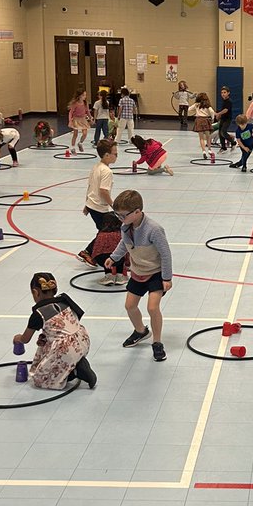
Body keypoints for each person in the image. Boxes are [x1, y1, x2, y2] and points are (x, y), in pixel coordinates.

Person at [106, 189, 173, 362]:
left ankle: (157, 343)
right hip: (137, 272)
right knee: (130, 306)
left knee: (152, 307)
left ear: (137, 212)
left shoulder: (154, 229)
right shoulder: (125, 227)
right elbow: (124, 243)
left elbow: (166, 254)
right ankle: (141, 331)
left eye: (123, 215)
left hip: (156, 274)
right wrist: (114, 257)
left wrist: (166, 278)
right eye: (117, 215)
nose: (120, 219)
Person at [12, 272, 96, 390]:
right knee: (43, 342)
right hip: (82, 341)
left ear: (35, 292)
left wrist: (17, 338)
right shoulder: (65, 301)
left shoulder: (39, 314)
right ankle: (74, 362)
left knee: (40, 379)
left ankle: (75, 371)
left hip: (66, 348)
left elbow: (25, 339)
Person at [79, 212, 128, 283]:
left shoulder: (101, 234)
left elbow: (95, 248)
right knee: (120, 254)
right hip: (117, 260)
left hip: (102, 261)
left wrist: (94, 258)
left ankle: (108, 276)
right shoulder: (121, 234)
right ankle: (120, 276)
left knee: (104, 255)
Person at [83, 139, 118, 230]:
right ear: (107, 155)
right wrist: (113, 206)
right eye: (115, 154)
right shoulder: (107, 171)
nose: (116, 156)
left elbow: (90, 186)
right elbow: (104, 191)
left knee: (103, 231)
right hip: (99, 208)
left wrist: (87, 204)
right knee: (105, 232)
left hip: (92, 205)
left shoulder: (96, 167)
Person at [68, 87, 90, 153]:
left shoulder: (85, 103)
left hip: (83, 119)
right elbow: (71, 112)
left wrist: (91, 117)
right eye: (84, 95)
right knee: (75, 134)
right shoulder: (75, 104)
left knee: (85, 133)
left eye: (85, 95)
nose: (85, 97)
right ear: (80, 95)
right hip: (76, 119)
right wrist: (70, 120)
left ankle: (80, 143)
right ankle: (72, 147)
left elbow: (87, 111)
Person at [216, 86, 233, 151]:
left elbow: (226, 110)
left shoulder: (229, 101)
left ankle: (233, 142)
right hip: (223, 119)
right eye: (222, 92)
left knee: (223, 132)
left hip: (227, 119)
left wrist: (218, 114)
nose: (223, 94)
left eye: (224, 92)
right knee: (220, 133)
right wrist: (220, 116)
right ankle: (223, 147)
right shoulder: (224, 100)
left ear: (228, 93)